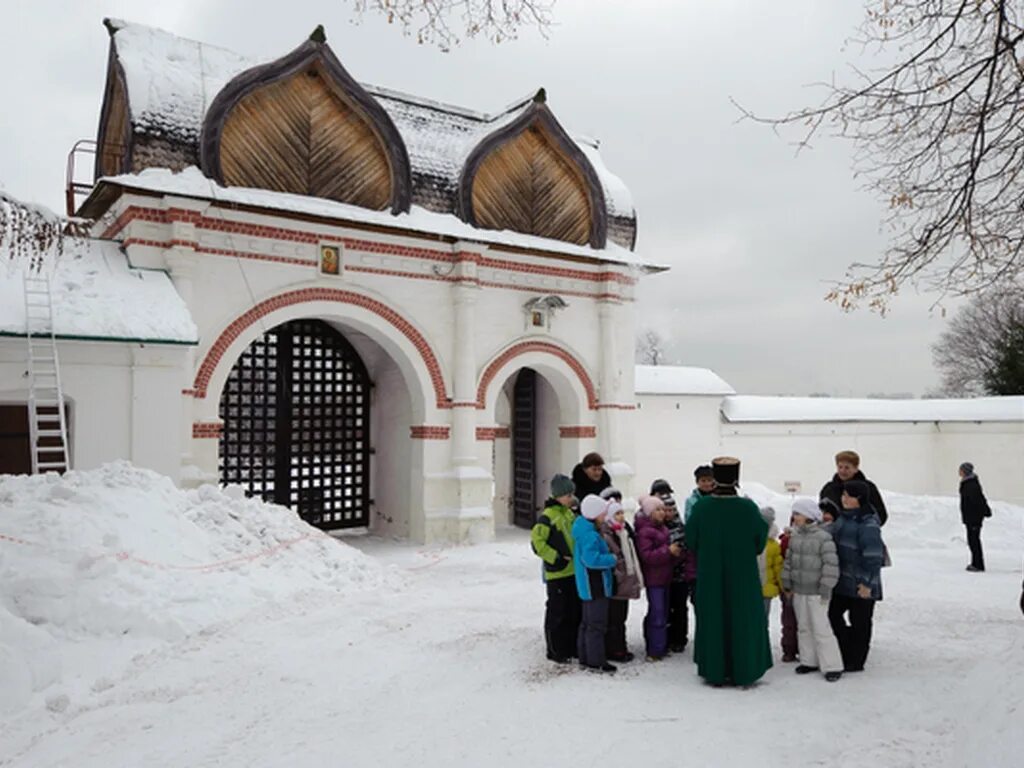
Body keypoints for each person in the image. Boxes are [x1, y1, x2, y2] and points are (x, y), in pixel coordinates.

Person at [685, 457, 772, 687]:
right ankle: (744, 669)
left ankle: (715, 669)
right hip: (742, 575)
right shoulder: (747, 508)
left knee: (714, 617)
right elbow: (759, 542)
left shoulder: (701, 507)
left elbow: (691, 540)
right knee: (742, 618)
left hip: (710, 573)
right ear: (736, 479)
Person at [782, 498, 843, 683]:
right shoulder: (795, 537)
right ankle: (809, 660)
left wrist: (826, 586)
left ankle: (832, 665)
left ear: (808, 516)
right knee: (804, 627)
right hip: (800, 590)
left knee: (821, 627)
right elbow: (789, 562)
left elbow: (831, 564)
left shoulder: (823, 538)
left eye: (798, 514)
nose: (795, 518)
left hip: (817, 591)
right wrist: (787, 582)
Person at [828, 480, 884, 673]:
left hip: (862, 582)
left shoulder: (868, 523)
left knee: (860, 621)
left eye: (849, 496)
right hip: (843, 581)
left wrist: (867, 583)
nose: (844, 499)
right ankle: (845, 648)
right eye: (843, 495)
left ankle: (856, 660)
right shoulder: (843, 518)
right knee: (832, 614)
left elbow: (874, 555)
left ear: (859, 499)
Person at [531, 474, 580, 664]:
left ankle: (571, 646)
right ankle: (555, 649)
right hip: (557, 573)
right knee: (557, 612)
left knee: (572, 610)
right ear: (557, 496)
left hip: (572, 571)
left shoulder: (569, 514)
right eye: (567, 495)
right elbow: (537, 543)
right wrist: (556, 558)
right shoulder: (547, 518)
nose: (570, 498)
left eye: (571, 494)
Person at [572, 495, 619, 674]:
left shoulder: (584, 530)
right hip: (595, 584)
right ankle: (596, 660)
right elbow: (591, 559)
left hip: (589, 585)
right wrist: (611, 559)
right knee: (596, 624)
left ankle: (585, 657)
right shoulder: (590, 534)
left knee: (587, 622)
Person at [635, 495, 682, 661]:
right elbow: (647, 556)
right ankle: (654, 650)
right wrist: (668, 551)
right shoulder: (645, 532)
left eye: (663, 509)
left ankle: (660, 646)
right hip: (654, 578)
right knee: (657, 613)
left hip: (665, 576)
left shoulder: (663, 529)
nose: (662, 513)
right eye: (658, 510)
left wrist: (676, 553)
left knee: (662, 613)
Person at [600, 491, 643, 662]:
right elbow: (614, 556)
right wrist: (618, 573)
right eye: (617, 513)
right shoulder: (608, 534)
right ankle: (614, 649)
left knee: (621, 617)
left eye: (622, 513)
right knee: (614, 618)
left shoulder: (623, 532)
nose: (621, 516)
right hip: (617, 582)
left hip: (625, 580)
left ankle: (620, 646)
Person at [652, 479, 693, 652]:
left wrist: (678, 555)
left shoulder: (680, 527)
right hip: (664, 573)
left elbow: (686, 547)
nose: (668, 513)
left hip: (680, 574)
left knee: (680, 607)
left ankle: (679, 638)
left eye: (671, 509)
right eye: (665, 510)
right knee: (666, 607)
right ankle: (667, 637)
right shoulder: (657, 527)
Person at [820, 450, 888, 526]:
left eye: (847, 468)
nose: (843, 471)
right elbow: (821, 510)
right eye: (840, 467)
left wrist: (867, 525)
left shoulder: (868, 487)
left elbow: (881, 514)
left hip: (862, 532)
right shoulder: (829, 488)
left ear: (856, 468)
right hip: (835, 533)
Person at [958, 462, 991, 572]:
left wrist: (984, 511)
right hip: (971, 516)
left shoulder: (970, 484)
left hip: (974, 517)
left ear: (965, 471)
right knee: (973, 540)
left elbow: (978, 500)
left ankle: (978, 564)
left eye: (961, 470)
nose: (959, 472)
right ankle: (976, 563)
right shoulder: (968, 482)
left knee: (974, 541)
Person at [778, 512, 799, 662]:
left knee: (802, 620)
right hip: (788, 585)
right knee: (789, 619)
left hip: (805, 585)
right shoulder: (786, 540)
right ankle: (789, 649)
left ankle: (800, 649)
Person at [759, 507, 783, 624]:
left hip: (766, 589)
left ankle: (762, 641)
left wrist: (783, 587)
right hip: (749, 588)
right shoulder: (748, 540)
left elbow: (777, 567)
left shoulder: (773, 545)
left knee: (763, 621)